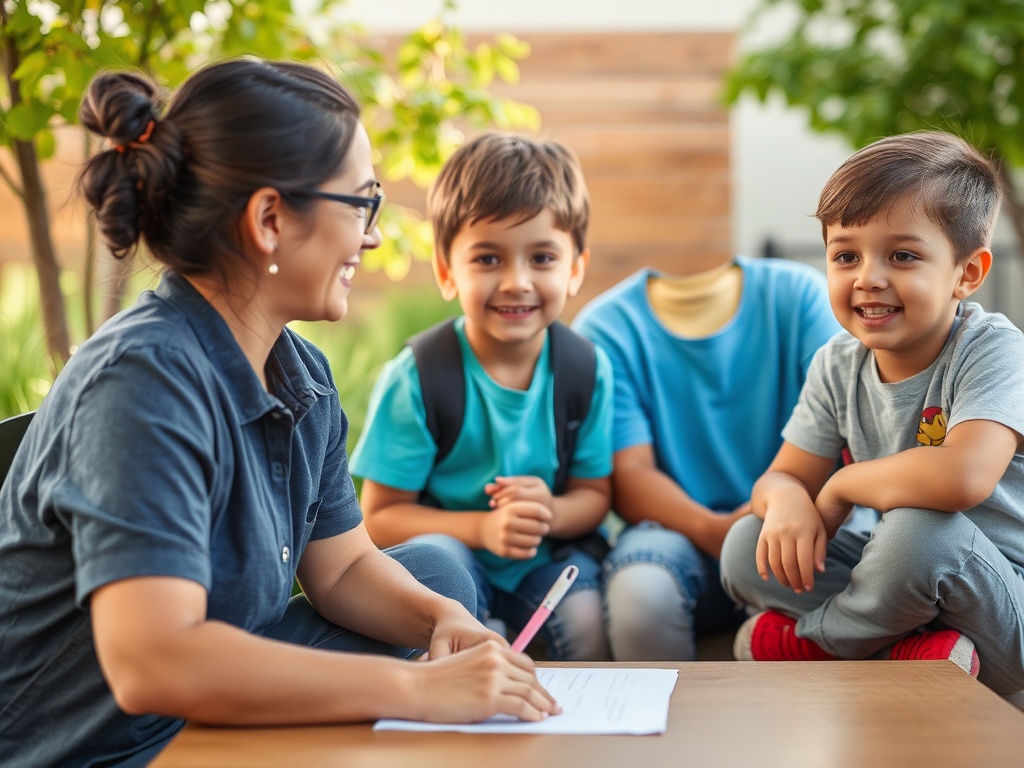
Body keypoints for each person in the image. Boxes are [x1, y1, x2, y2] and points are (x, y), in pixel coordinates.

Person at [0, 60, 560, 768]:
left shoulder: (303, 376)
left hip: (193, 715)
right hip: (98, 747)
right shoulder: (140, 383)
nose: (374, 236)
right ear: (269, 219)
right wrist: (417, 689)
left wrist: (443, 623)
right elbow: (152, 662)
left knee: (438, 580)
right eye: (362, 205)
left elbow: (344, 568)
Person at [719, 131, 1024, 695]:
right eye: (846, 255)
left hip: (1004, 611)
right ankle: (899, 652)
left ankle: (822, 642)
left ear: (968, 273)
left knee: (921, 531)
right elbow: (782, 476)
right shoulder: (838, 362)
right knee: (748, 543)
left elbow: (963, 477)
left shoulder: (994, 350)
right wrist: (788, 502)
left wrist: (839, 488)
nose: (868, 277)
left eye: (903, 255)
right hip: (911, 599)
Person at [351, 133, 613, 661]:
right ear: (447, 271)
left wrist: (550, 513)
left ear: (576, 269)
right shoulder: (419, 377)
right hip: (456, 560)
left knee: (585, 614)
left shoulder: (586, 370)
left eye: (542, 258)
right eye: (488, 259)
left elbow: (594, 496)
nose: (517, 282)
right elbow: (379, 517)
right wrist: (481, 528)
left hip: (542, 563)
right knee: (440, 564)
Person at [572, 250, 842, 660]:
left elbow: (843, 425)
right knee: (640, 593)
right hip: (674, 531)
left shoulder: (801, 294)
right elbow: (630, 473)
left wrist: (775, 521)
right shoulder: (605, 327)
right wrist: (718, 531)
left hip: (807, 517)